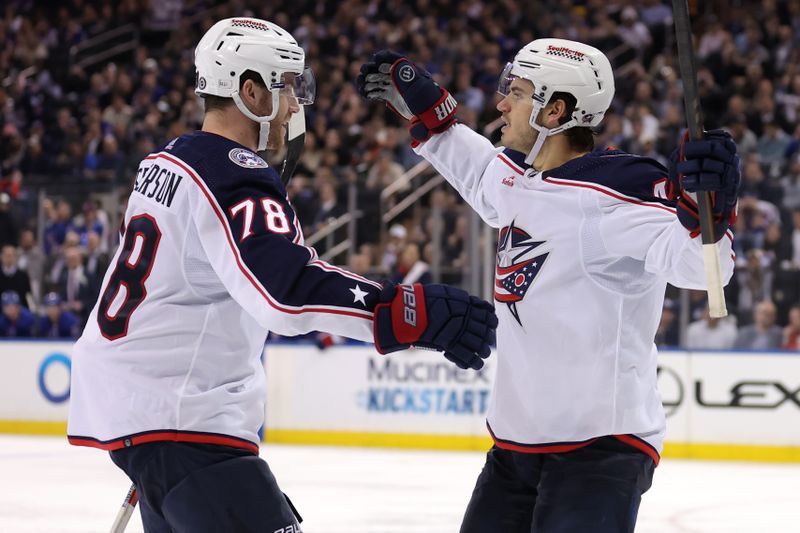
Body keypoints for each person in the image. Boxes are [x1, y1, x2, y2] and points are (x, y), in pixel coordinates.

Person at [66, 18, 497, 533]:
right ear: (249, 91)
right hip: (184, 422)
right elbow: (284, 293)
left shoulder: (166, 161)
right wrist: (405, 312)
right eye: (286, 86)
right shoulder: (232, 172)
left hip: (153, 418)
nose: (295, 104)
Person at [358, 38, 739, 532]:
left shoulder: (614, 194)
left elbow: (701, 269)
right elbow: (481, 175)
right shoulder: (523, 179)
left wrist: (706, 210)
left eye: (515, 93)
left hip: (601, 449)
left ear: (555, 110)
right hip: (515, 446)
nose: (500, 104)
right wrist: (432, 115)